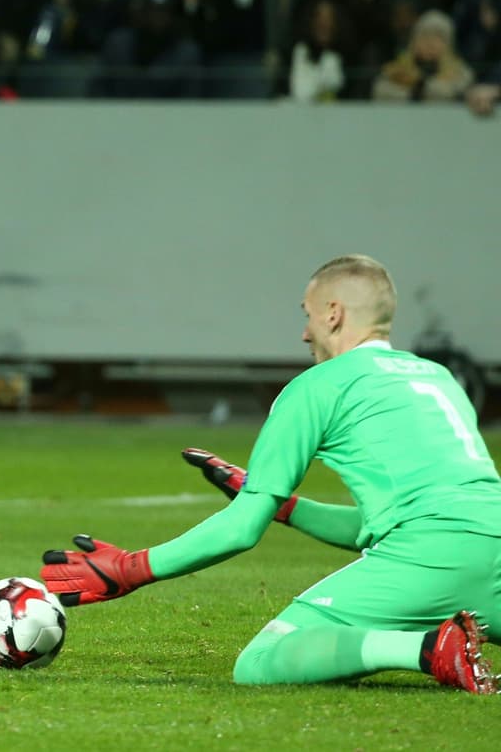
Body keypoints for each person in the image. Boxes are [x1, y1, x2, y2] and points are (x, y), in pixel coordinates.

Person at [40, 255, 501, 693]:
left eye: (308, 314)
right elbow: (382, 525)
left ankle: (428, 649)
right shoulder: (438, 379)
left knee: (262, 660)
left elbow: (241, 529)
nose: (304, 333)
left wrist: (131, 568)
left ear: (334, 314)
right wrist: (287, 508)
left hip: (430, 561)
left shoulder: (316, 386)